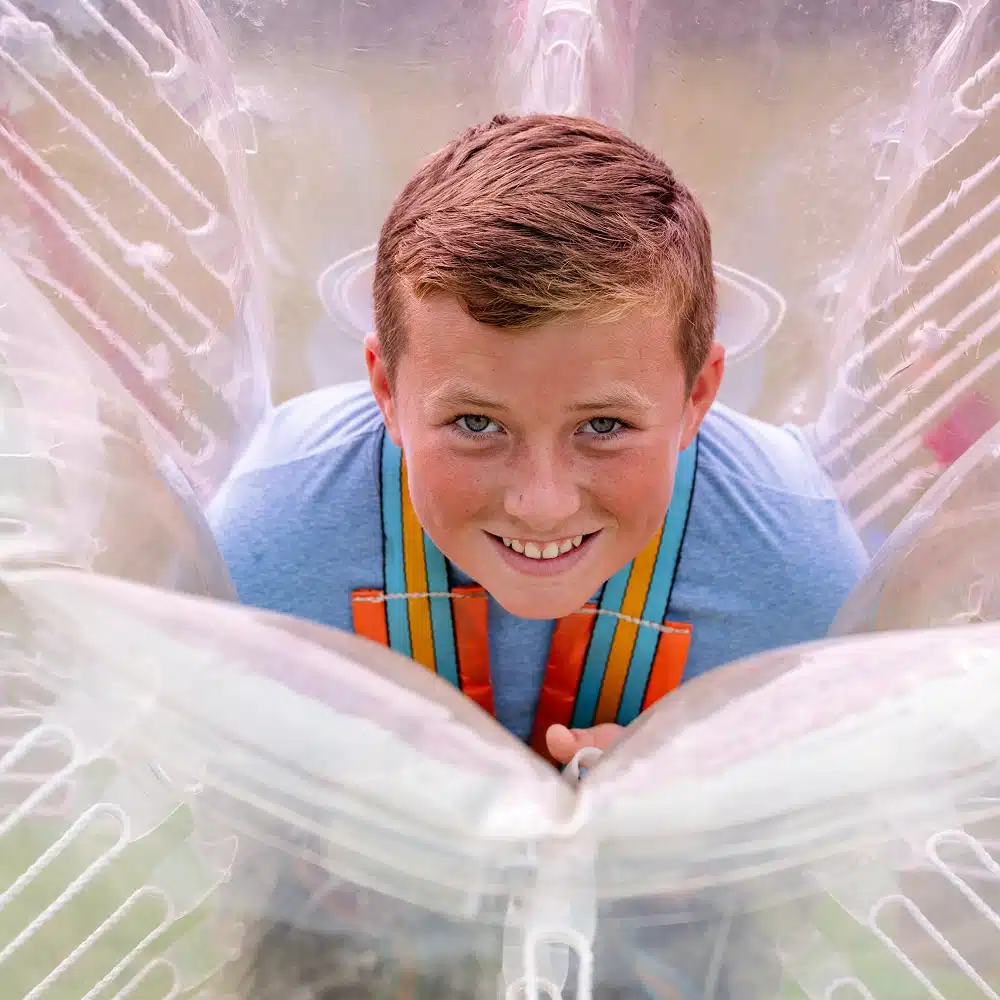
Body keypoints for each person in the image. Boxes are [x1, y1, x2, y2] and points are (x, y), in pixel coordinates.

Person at [208, 112, 868, 768]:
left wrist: (713, 815)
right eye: (475, 425)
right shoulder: (260, 550)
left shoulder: (806, 580)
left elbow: (867, 830)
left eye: (604, 427)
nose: (542, 504)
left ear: (698, 396)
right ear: (385, 391)